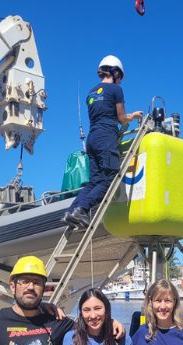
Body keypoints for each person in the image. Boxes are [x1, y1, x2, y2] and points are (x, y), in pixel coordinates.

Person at [61, 55, 144, 230]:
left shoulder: (91, 92)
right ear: (115, 72)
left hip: (92, 138)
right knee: (109, 180)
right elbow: (121, 118)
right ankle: (82, 210)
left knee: (94, 181)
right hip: (106, 137)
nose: (120, 81)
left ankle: (71, 211)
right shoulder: (116, 90)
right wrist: (133, 116)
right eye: (119, 77)